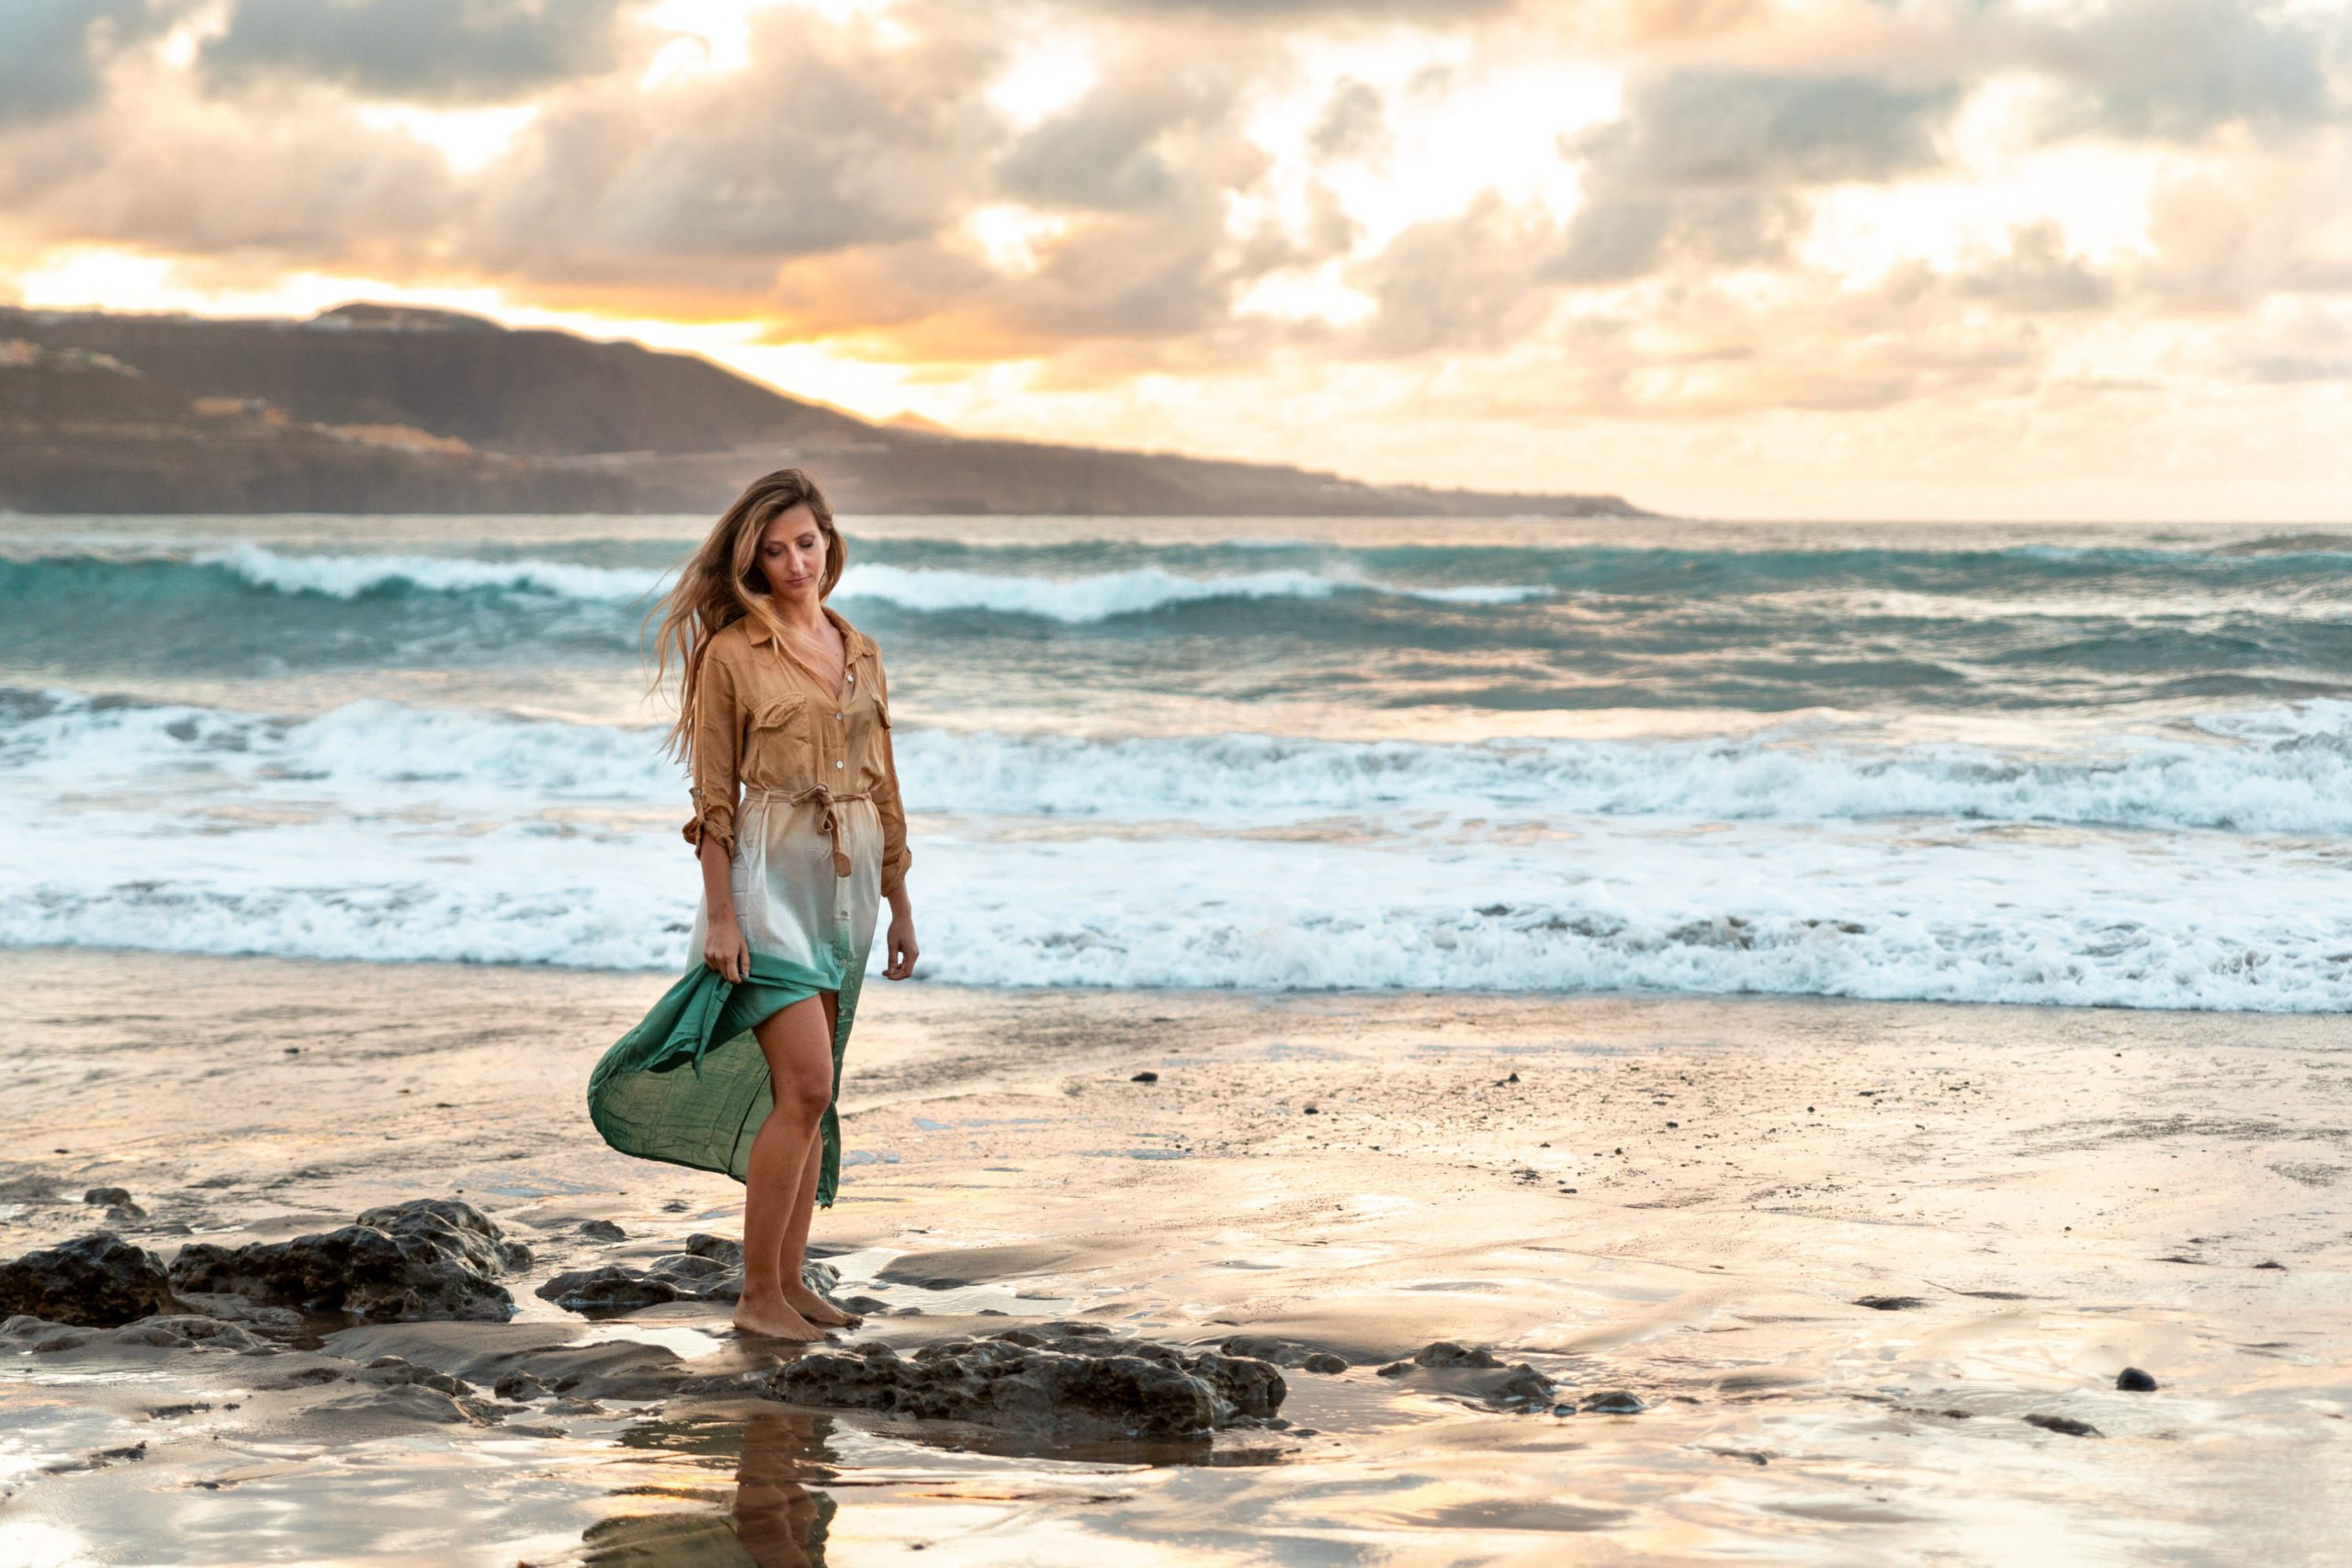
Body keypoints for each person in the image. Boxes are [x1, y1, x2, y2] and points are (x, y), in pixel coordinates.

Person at [587, 468, 918, 1340]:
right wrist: (723, 915)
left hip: (844, 889)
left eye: (805, 542)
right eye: (773, 551)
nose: (794, 562)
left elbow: (884, 785)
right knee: (804, 1082)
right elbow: (714, 801)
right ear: (751, 562)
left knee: (815, 1091)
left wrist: (901, 897)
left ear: (829, 541)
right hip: (767, 881)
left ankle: (791, 1281)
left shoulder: (863, 649)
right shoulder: (730, 654)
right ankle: (756, 1297)